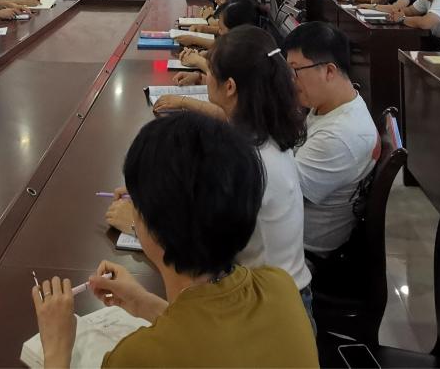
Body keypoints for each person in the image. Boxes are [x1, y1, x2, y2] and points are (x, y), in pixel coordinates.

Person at [35, 114, 318, 368]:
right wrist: (143, 303)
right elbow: (213, 340)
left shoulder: (137, 358)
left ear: (154, 228)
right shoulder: (280, 287)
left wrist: (57, 348)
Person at [146, 26, 313, 314]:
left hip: (267, 310)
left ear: (230, 87)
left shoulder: (247, 159)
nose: (206, 77)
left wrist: (139, 222)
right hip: (285, 295)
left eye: (209, 71)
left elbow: (198, 247)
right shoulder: (269, 133)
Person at [282, 22, 377, 256]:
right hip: (291, 230)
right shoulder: (332, 103)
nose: (290, 81)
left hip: (300, 250)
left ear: (329, 71)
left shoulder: (340, 136)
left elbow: (280, 196)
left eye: (295, 71)